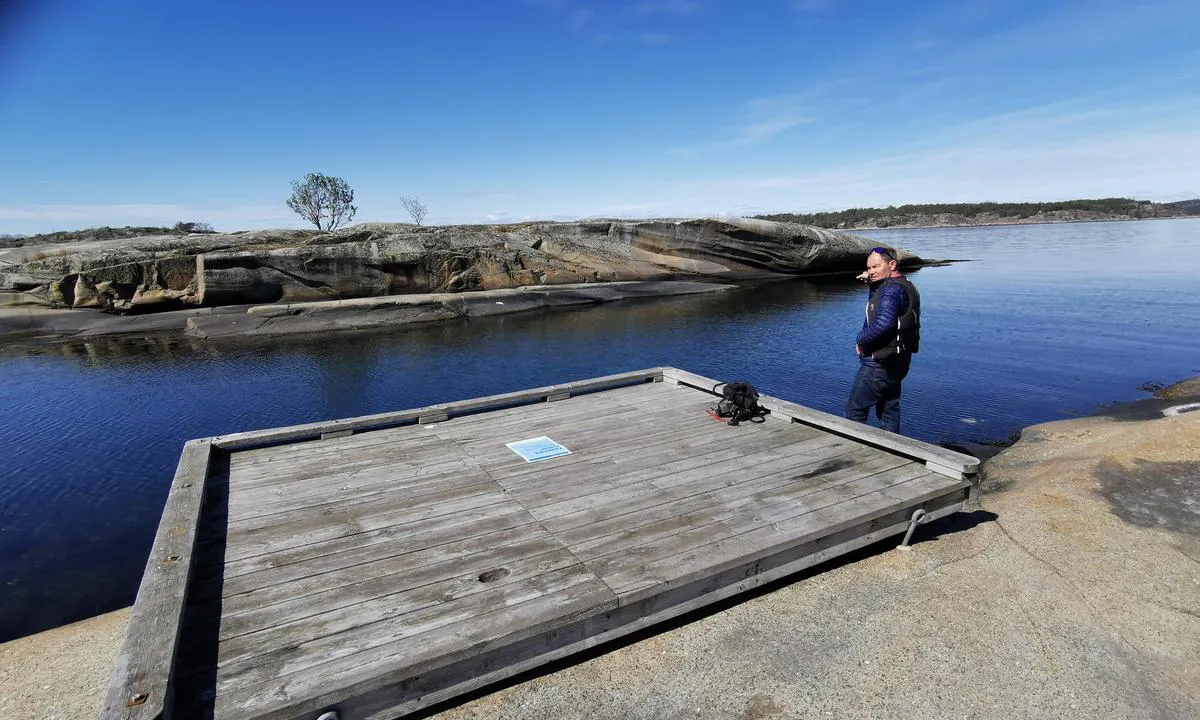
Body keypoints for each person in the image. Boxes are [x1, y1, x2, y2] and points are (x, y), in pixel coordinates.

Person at [846, 245, 921, 434]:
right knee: (889, 409)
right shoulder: (906, 285)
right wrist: (872, 282)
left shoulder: (891, 291)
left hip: (878, 363)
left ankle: (855, 451)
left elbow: (883, 324)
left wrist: (860, 340)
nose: (871, 271)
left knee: (855, 410)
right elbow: (875, 306)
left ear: (892, 264)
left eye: (876, 267)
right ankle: (893, 449)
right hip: (899, 361)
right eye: (869, 268)